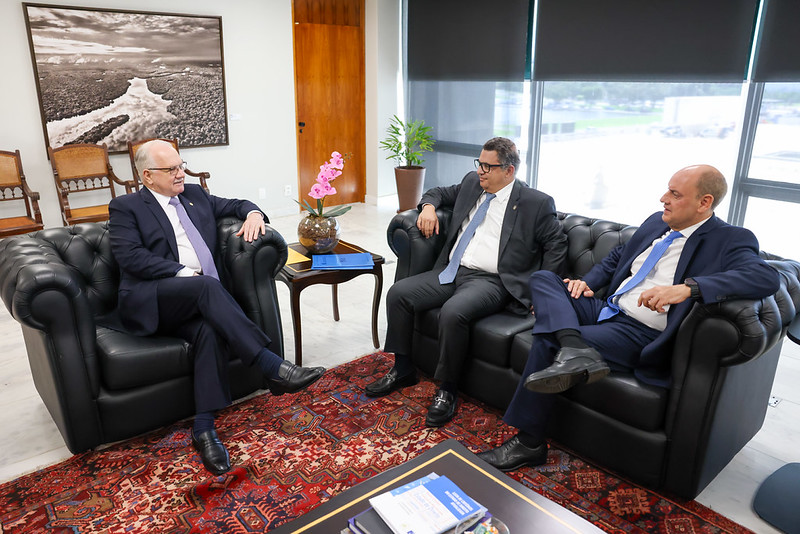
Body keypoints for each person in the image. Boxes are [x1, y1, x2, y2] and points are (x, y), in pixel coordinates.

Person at [477, 164, 780, 471]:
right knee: (544, 279)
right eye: (667, 190)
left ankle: (529, 443)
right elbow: (617, 258)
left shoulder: (729, 239)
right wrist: (589, 283)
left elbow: (765, 277)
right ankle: (575, 347)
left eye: (675, 194)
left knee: (545, 337)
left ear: (704, 202)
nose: (664, 198)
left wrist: (688, 289)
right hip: (606, 309)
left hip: (639, 331)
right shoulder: (656, 222)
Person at [108, 140, 325, 476]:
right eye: (172, 169)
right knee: (205, 285)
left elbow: (238, 203)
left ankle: (205, 429)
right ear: (148, 177)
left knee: (209, 329)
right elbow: (130, 257)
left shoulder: (194, 194)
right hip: (154, 299)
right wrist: (185, 275)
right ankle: (271, 366)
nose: (182, 173)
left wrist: (254, 214)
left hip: (199, 301)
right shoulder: (126, 207)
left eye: (181, 165)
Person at [364, 137, 568, 426]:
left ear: (509, 171)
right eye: (479, 163)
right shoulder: (473, 183)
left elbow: (556, 245)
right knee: (399, 294)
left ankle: (447, 389)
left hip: (491, 281)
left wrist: (545, 292)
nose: (481, 171)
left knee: (453, 312)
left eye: (488, 166)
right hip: (452, 270)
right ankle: (403, 368)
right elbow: (437, 192)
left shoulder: (535, 203)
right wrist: (428, 208)